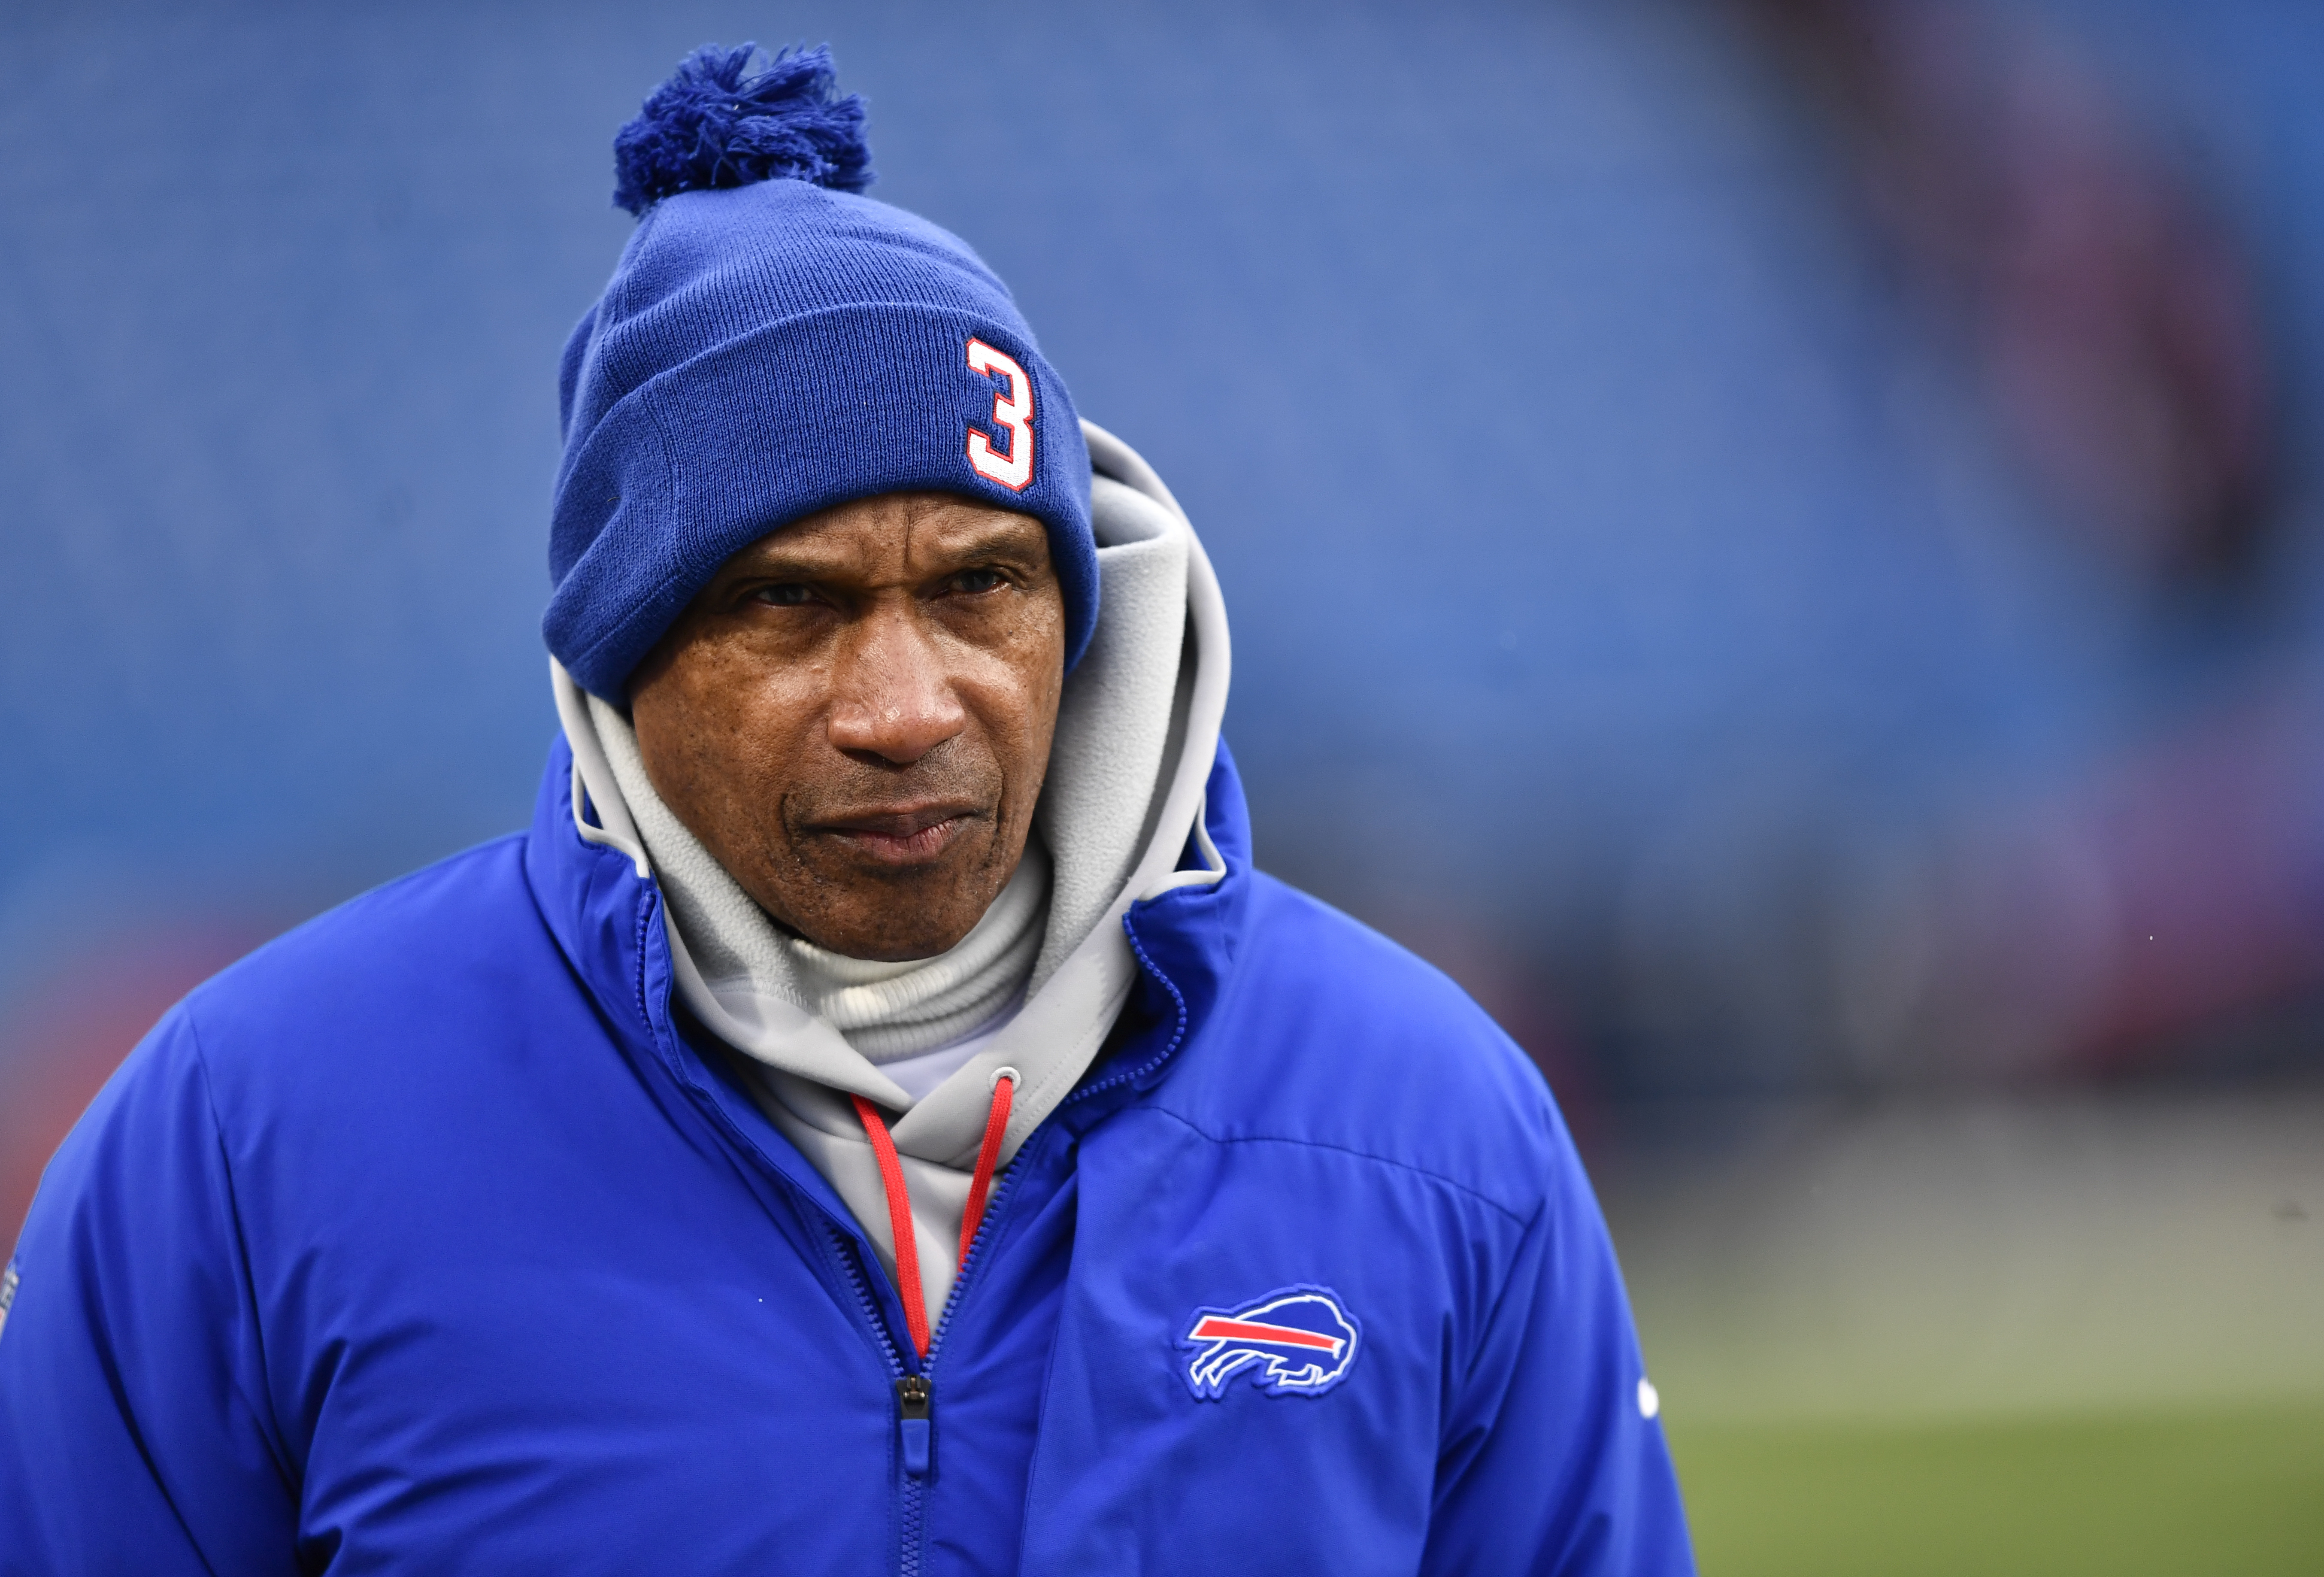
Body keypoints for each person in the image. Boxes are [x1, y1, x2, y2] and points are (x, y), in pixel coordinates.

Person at [0, 45, 1691, 1576]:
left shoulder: (1427, 1122)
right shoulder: (243, 1136)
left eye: (981, 586)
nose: (907, 708)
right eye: (789, 607)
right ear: (621, 651)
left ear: (1083, 605)